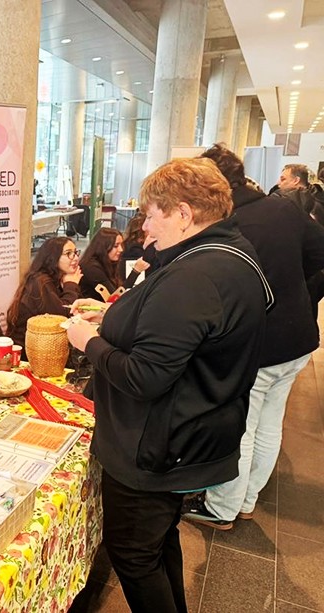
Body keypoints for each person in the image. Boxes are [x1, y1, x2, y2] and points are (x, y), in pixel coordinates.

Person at [65, 157, 271, 613]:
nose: (145, 227)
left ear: (183, 213)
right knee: (157, 544)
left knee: (135, 556)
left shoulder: (194, 275)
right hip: (193, 433)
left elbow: (145, 376)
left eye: (152, 214)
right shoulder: (228, 252)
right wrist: (114, 319)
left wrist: (91, 342)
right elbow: (181, 333)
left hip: (159, 445)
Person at [179, 145, 324, 530]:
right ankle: (247, 499)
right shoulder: (283, 207)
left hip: (257, 344)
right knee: (269, 422)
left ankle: (223, 507)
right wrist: (301, 293)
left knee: (240, 426)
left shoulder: (232, 224)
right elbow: (318, 254)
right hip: (297, 339)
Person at [5, 237, 82, 357]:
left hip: (47, 347)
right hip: (28, 353)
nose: (76, 258)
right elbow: (59, 319)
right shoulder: (40, 282)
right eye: (68, 254)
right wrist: (71, 285)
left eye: (76, 253)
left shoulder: (59, 278)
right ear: (53, 258)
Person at [78, 227, 124, 300]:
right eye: (116, 246)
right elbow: (115, 296)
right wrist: (135, 271)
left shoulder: (109, 262)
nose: (121, 249)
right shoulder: (91, 268)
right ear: (103, 247)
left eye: (121, 245)